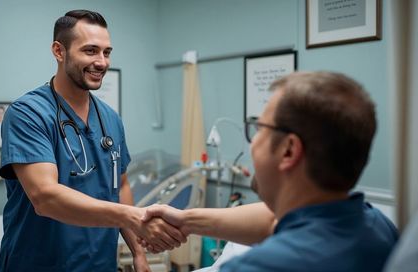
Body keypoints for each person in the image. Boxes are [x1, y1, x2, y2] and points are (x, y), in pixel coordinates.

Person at [142, 71, 399, 271]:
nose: (253, 143)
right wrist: (187, 221)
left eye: (260, 128)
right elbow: (271, 221)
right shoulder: (379, 229)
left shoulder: (260, 266)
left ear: (288, 150)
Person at [0, 10, 185, 272]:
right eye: (90, 51)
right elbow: (45, 197)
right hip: (39, 263)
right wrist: (135, 217)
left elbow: (120, 185)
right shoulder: (28, 113)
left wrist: (138, 253)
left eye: (106, 52)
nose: (102, 62)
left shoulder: (110, 118)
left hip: (100, 264)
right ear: (59, 51)